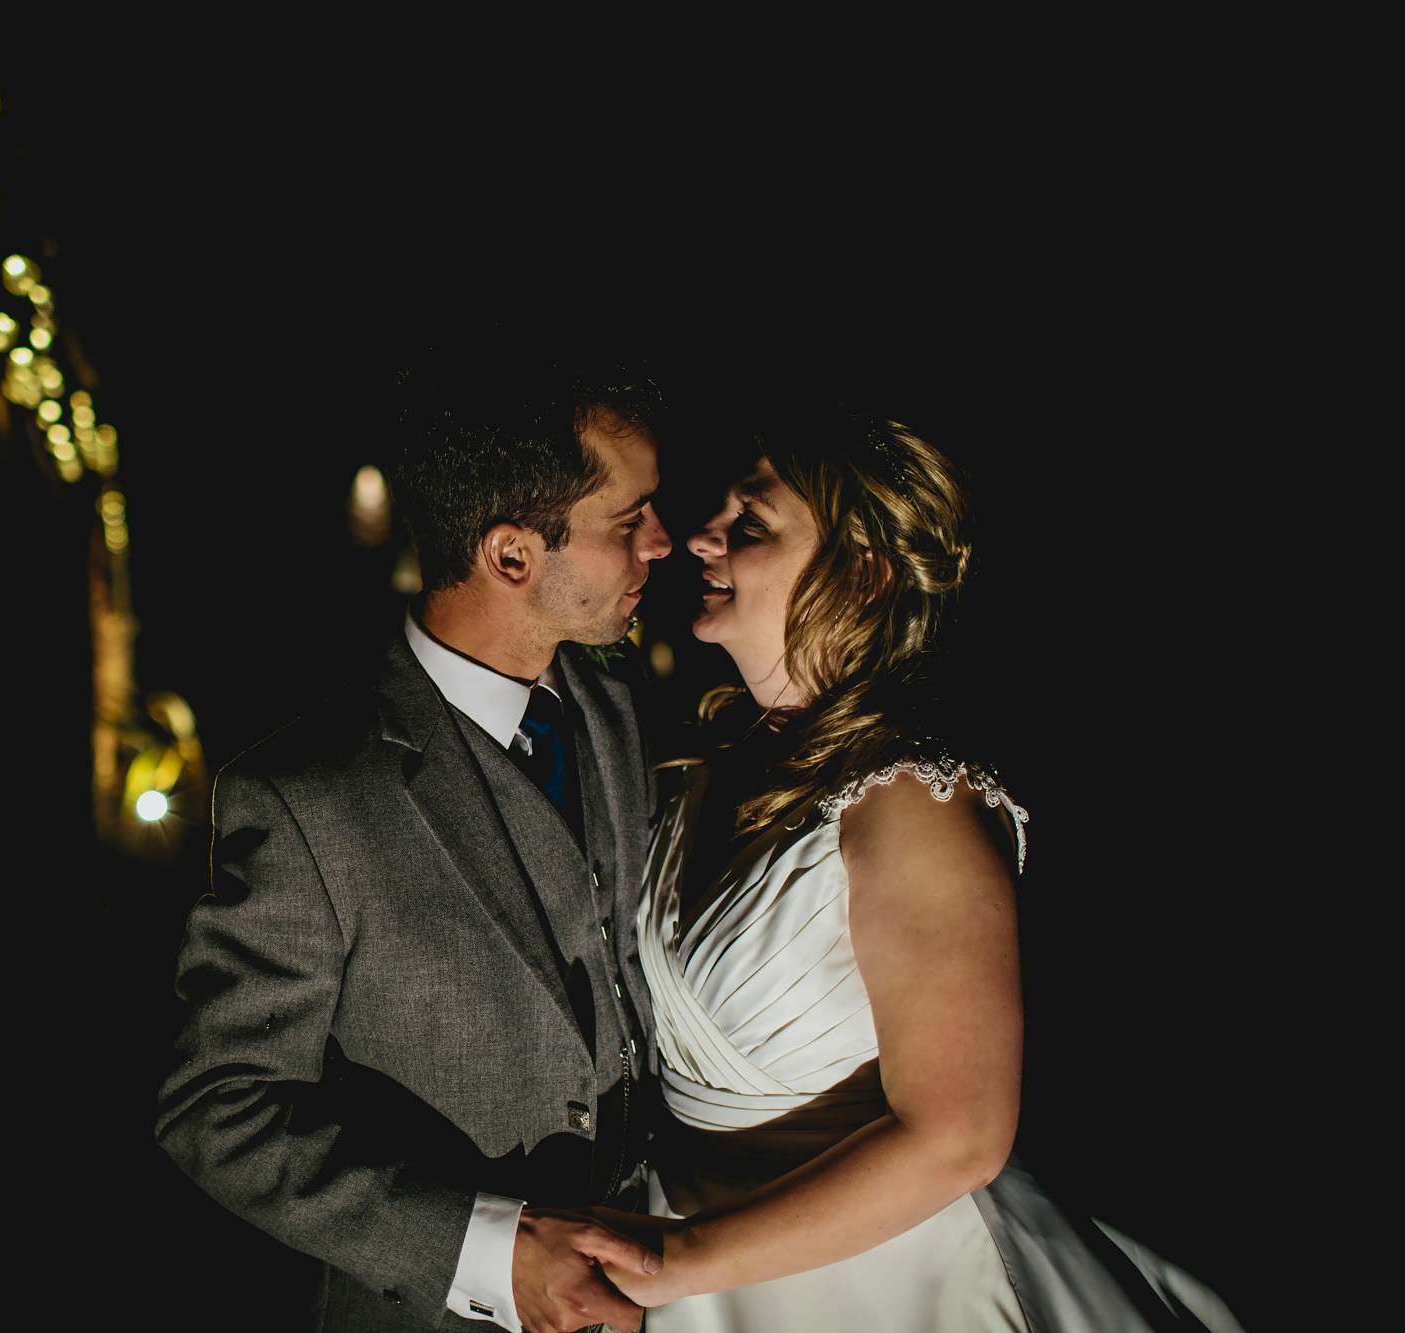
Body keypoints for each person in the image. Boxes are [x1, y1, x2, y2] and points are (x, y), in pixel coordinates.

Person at [596, 405, 1244, 1330]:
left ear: (861, 574)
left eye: (751, 525)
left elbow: (963, 1134)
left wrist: (681, 1260)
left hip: (885, 1282)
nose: (701, 538)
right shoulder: (711, 776)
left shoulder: (913, 803)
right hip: (693, 1261)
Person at [156, 351, 677, 1332]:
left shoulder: (613, 706)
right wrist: (483, 1251)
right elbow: (218, 1110)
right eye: (627, 521)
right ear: (511, 554)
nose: (660, 540)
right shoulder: (306, 796)